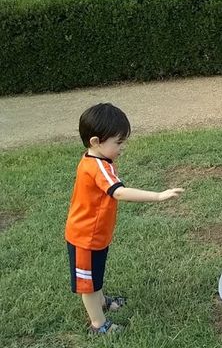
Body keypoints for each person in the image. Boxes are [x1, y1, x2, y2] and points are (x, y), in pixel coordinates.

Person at [65, 103, 184, 334]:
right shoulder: (97, 167)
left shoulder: (98, 160)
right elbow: (118, 192)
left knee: (95, 276)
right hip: (85, 239)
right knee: (88, 285)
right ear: (96, 142)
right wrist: (158, 196)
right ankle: (98, 325)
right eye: (118, 142)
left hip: (96, 235)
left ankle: (102, 302)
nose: (122, 148)